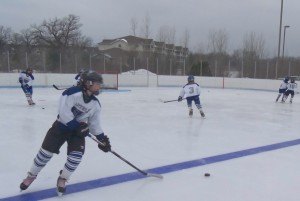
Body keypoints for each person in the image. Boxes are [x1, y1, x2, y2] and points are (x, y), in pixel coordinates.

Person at [20, 70, 112, 196]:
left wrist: (103, 139)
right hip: (60, 128)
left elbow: (94, 124)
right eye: (97, 83)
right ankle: (31, 176)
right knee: (44, 155)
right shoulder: (72, 93)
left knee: (75, 158)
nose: (99, 86)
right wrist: (76, 126)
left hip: (77, 133)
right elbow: (63, 113)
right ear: (88, 83)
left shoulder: (95, 104)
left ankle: (63, 178)